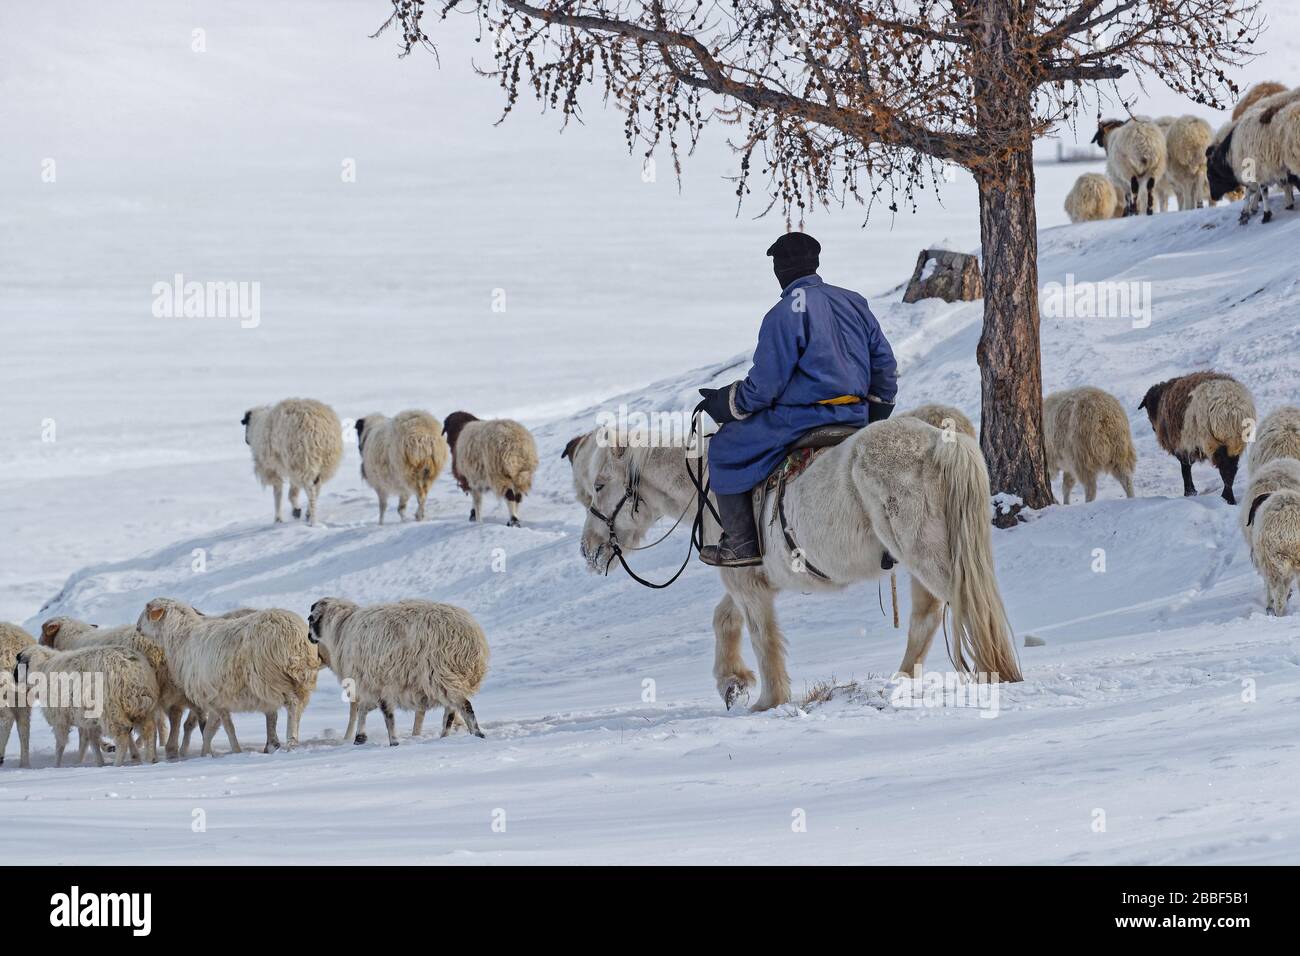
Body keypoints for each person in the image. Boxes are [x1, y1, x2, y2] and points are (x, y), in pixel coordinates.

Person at [697, 233, 898, 567]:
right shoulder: (853, 301)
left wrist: (726, 404)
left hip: (803, 419)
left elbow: (764, 388)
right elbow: (885, 366)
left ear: (779, 268)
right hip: (857, 415)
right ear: (815, 263)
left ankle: (741, 544)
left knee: (724, 448)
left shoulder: (783, 313)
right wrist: (874, 416)